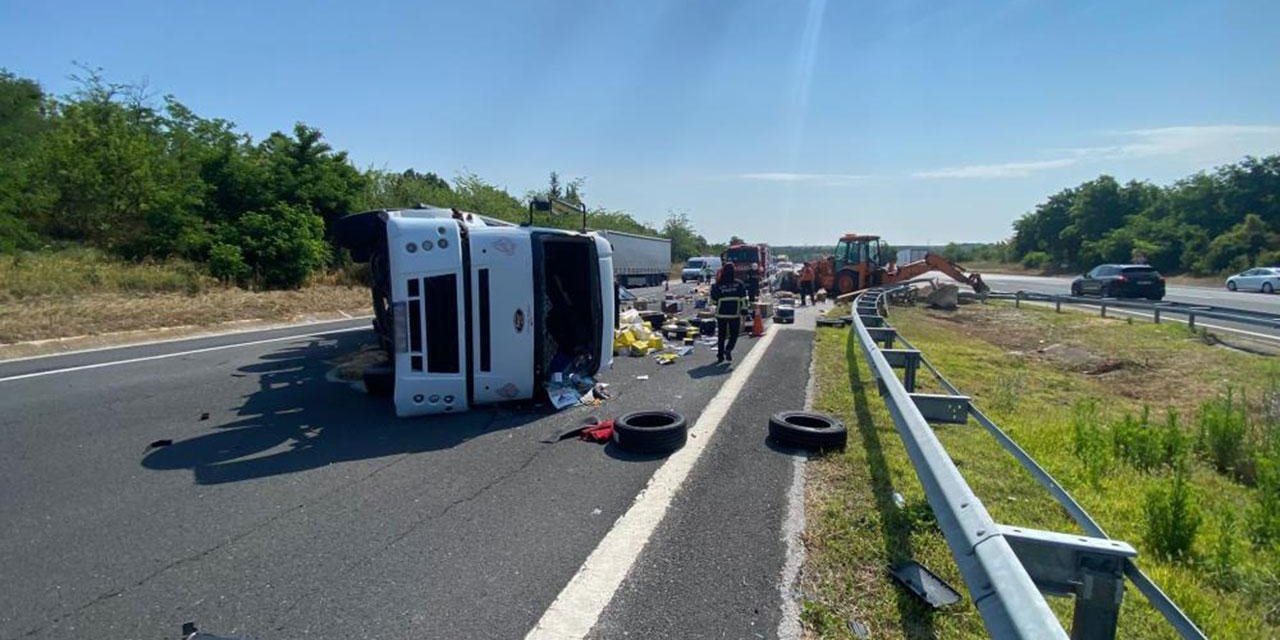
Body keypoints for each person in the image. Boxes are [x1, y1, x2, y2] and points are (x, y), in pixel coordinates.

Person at [710, 263, 748, 364]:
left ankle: (720, 355)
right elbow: (744, 299)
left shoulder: (717, 285)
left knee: (721, 335)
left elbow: (713, 301)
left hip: (721, 313)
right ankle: (728, 349)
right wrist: (744, 310)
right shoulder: (739, 284)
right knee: (734, 334)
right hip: (734, 313)